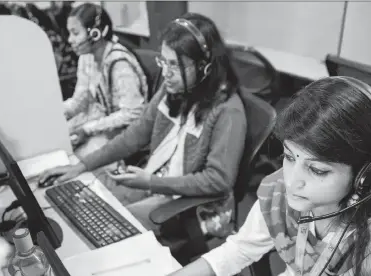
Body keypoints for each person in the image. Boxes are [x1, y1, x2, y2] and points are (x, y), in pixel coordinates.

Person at [92, 77, 371, 276]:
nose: (292, 180)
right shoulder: (281, 194)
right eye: (289, 157)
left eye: (317, 169)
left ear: (368, 175)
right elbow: (239, 250)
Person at [39, 13, 247, 237]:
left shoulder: (228, 111)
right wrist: (80, 167)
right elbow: (135, 135)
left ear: (204, 67)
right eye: (163, 62)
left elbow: (218, 181)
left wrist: (152, 182)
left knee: (109, 229)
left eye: (175, 65)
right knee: (86, 206)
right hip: (157, 185)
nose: (165, 73)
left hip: (194, 208)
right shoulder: (174, 90)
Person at [63, 3, 149, 158]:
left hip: (125, 131)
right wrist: (57, 114)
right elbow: (80, 99)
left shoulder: (119, 63)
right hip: (103, 123)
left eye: (75, 33)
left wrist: (88, 129)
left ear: (95, 33)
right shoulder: (86, 58)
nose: (70, 40)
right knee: (62, 140)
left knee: (82, 157)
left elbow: (133, 112)